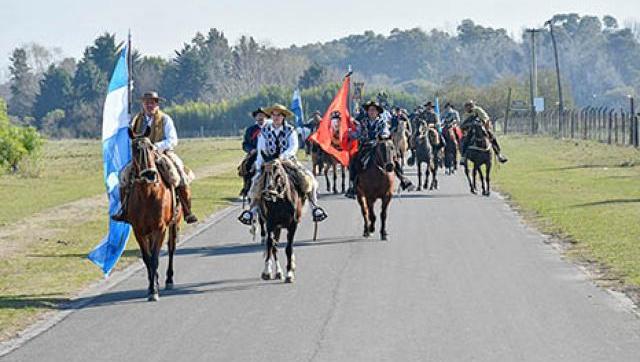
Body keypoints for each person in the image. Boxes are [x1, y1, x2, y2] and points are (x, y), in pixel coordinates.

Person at [112, 91, 198, 224]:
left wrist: (155, 147)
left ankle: (187, 211)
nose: (149, 105)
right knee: (123, 175)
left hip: (163, 153)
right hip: (142, 155)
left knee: (179, 174)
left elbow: (172, 140)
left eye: (152, 103)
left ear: (157, 104)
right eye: (146, 103)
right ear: (143, 104)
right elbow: (132, 138)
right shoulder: (136, 120)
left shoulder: (165, 119)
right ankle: (124, 210)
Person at [238, 104, 328, 225]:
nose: (275, 117)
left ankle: (314, 207)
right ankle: (252, 211)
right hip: (268, 161)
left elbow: (293, 147)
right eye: (273, 115)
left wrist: (282, 157)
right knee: (255, 183)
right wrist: (259, 166)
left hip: (287, 160)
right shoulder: (264, 131)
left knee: (308, 179)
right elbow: (261, 149)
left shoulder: (290, 130)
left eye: (278, 115)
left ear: (283, 117)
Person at [345, 100, 416, 198]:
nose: (371, 112)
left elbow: (385, 132)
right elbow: (357, 133)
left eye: (374, 110)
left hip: (378, 144)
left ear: (377, 112)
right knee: (354, 161)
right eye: (370, 110)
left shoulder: (382, 122)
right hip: (366, 146)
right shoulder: (363, 122)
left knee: (392, 158)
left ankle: (403, 180)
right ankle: (352, 186)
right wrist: (348, 134)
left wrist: (382, 136)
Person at [239, 107, 270, 196]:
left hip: (269, 154)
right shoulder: (250, 130)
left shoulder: (271, 128)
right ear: (255, 118)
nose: (261, 118)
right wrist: (251, 149)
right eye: (258, 116)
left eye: (263, 116)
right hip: (254, 154)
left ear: (266, 117)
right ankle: (246, 187)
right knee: (246, 166)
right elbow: (245, 144)